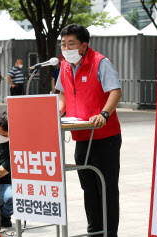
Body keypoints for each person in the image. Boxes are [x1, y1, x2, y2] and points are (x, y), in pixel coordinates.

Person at [55, 24, 123, 237]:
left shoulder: (100, 62)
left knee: (106, 188)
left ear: (84, 45)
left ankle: (109, 233)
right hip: (81, 135)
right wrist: (58, 112)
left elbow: (115, 91)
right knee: (88, 188)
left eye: (71, 44)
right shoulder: (65, 66)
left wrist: (104, 114)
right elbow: (62, 94)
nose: (66, 48)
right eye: (63, 44)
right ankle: (94, 231)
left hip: (105, 136)